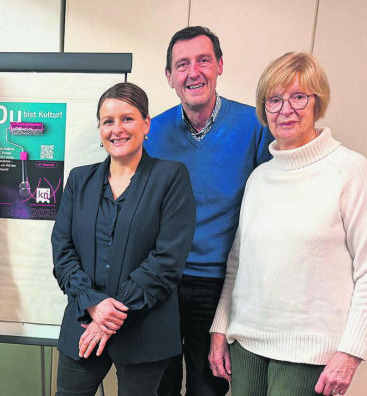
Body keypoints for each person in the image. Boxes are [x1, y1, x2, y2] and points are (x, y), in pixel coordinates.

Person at [208, 52, 367, 396]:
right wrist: (220, 329)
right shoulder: (260, 177)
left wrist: (351, 351)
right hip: (246, 345)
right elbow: (238, 264)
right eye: (274, 100)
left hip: (309, 355)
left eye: (298, 97)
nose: (285, 109)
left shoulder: (349, 169)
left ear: (317, 102)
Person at [144, 26, 274, 396]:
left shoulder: (255, 126)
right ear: (169, 77)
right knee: (160, 386)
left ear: (219, 65)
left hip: (220, 286)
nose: (193, 72)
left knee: (208, 388)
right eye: (182, 64)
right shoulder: (152, 131)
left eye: (203, 60)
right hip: (162, 282)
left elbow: (270, 205)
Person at [52, 82, 196, 396]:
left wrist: (108, 316)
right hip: (82, 322)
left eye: (127, 118)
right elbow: (63, 252)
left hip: (146, 330)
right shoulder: (79, 180)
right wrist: (92, 303)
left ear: (146, 124)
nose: (117, 129)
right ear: (100, 129)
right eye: (108, 121)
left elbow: (167, 260)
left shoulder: (171, 178)